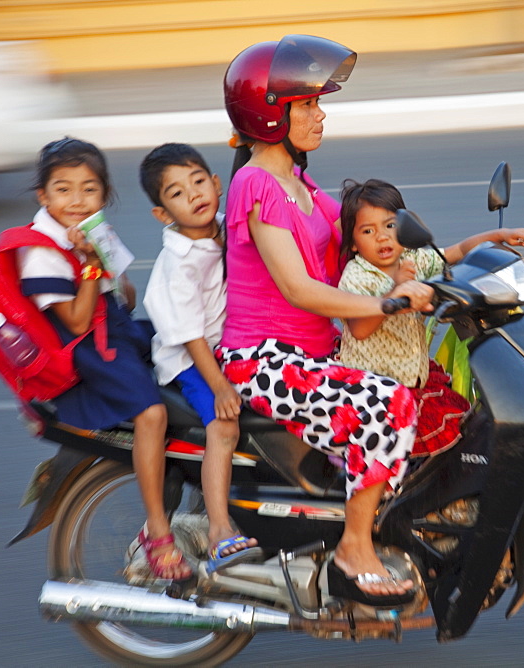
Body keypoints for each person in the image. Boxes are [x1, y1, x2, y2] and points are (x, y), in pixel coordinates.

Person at [218, 35, 433, 606]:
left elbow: (369, 251)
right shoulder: (256, 185)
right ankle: (352, 550)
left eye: (318, 103)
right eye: (307, 104)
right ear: (271, 114)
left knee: (436, 394)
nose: (320, 114)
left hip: (313, 354)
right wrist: (388, 304)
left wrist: (455, 260)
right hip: (261, 360)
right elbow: (299, 287)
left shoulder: (305, 185)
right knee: (388, 405)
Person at [17, 137, 191, 581]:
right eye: (63, 189)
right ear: (43, 195)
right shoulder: (40, 251)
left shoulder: (94, 227)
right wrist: (92, 263)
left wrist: (105, 259)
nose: (77, 200)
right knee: (152, 414)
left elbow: (126, 297)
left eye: (89, 188)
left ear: (104, 193)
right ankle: (157, 531)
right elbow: (75, 322)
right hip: (87, 351)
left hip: (115, 329)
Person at [337, 178, 524, 455]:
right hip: (376, 392)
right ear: (354, 244)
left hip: (413, 378)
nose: (382, 236)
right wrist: (394, 292)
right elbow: (359, 329)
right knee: (422, 444)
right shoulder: (357, 276)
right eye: (368, 231)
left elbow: (457, 252)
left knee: (466, 426)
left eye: (390, 226)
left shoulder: (414, 259)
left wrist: (499, 235)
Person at [140, 143, 262, 573]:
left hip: (227, 343)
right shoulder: (181, 263)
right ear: (163, 214)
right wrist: (220, 387)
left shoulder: (223, 229)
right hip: (192, 359)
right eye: (176, 193)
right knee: (223, 425)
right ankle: (219, 529)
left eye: (197, 181)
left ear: (216, 183)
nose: (193, 195)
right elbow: (191, 337)